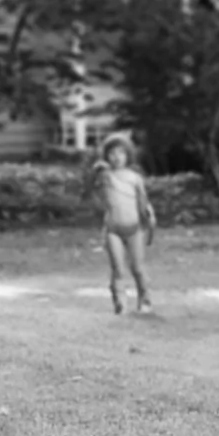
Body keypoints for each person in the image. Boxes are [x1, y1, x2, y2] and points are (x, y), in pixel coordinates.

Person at [88, 132, 155, 314]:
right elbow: (91, 189)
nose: (116, 157)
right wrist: (95, 172)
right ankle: (120, 302)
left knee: (138, 267)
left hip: (134, 229)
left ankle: (145, 298)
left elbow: (143, 203)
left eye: (121, 153)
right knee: (117, 268)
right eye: (112, 153)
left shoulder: (135, 178)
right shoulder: (105, 176)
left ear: (128, 155)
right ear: (106, 156)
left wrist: (149, 222)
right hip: (113, 229)